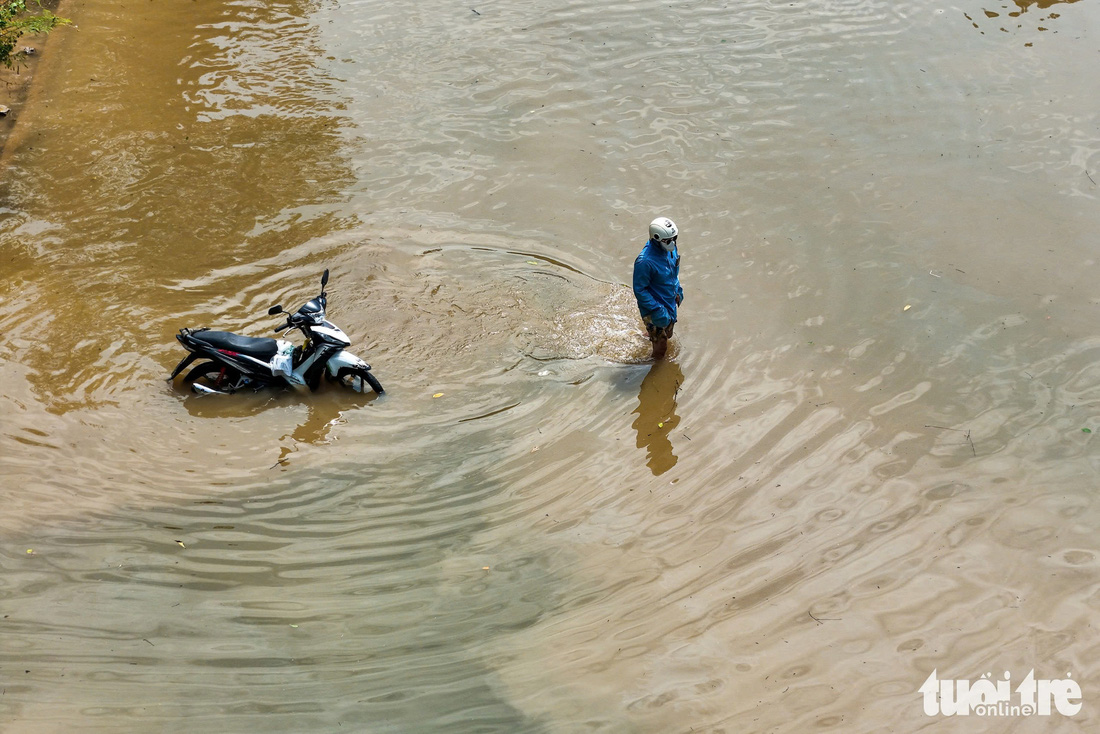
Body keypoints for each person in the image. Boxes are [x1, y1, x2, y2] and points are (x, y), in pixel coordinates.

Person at [632, 216, 683, 360]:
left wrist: (678, 289)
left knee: (668, 334)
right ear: (656, 238)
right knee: (661, 350)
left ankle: (648, 335)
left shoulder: (670, 248)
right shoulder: (645, 262)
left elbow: (674, 271)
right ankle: (655, 370)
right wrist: (657, 310)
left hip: (669, 302)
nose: (672, 243)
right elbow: (639, 290)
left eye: (675, 238)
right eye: (668, 240)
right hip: (655, 309)